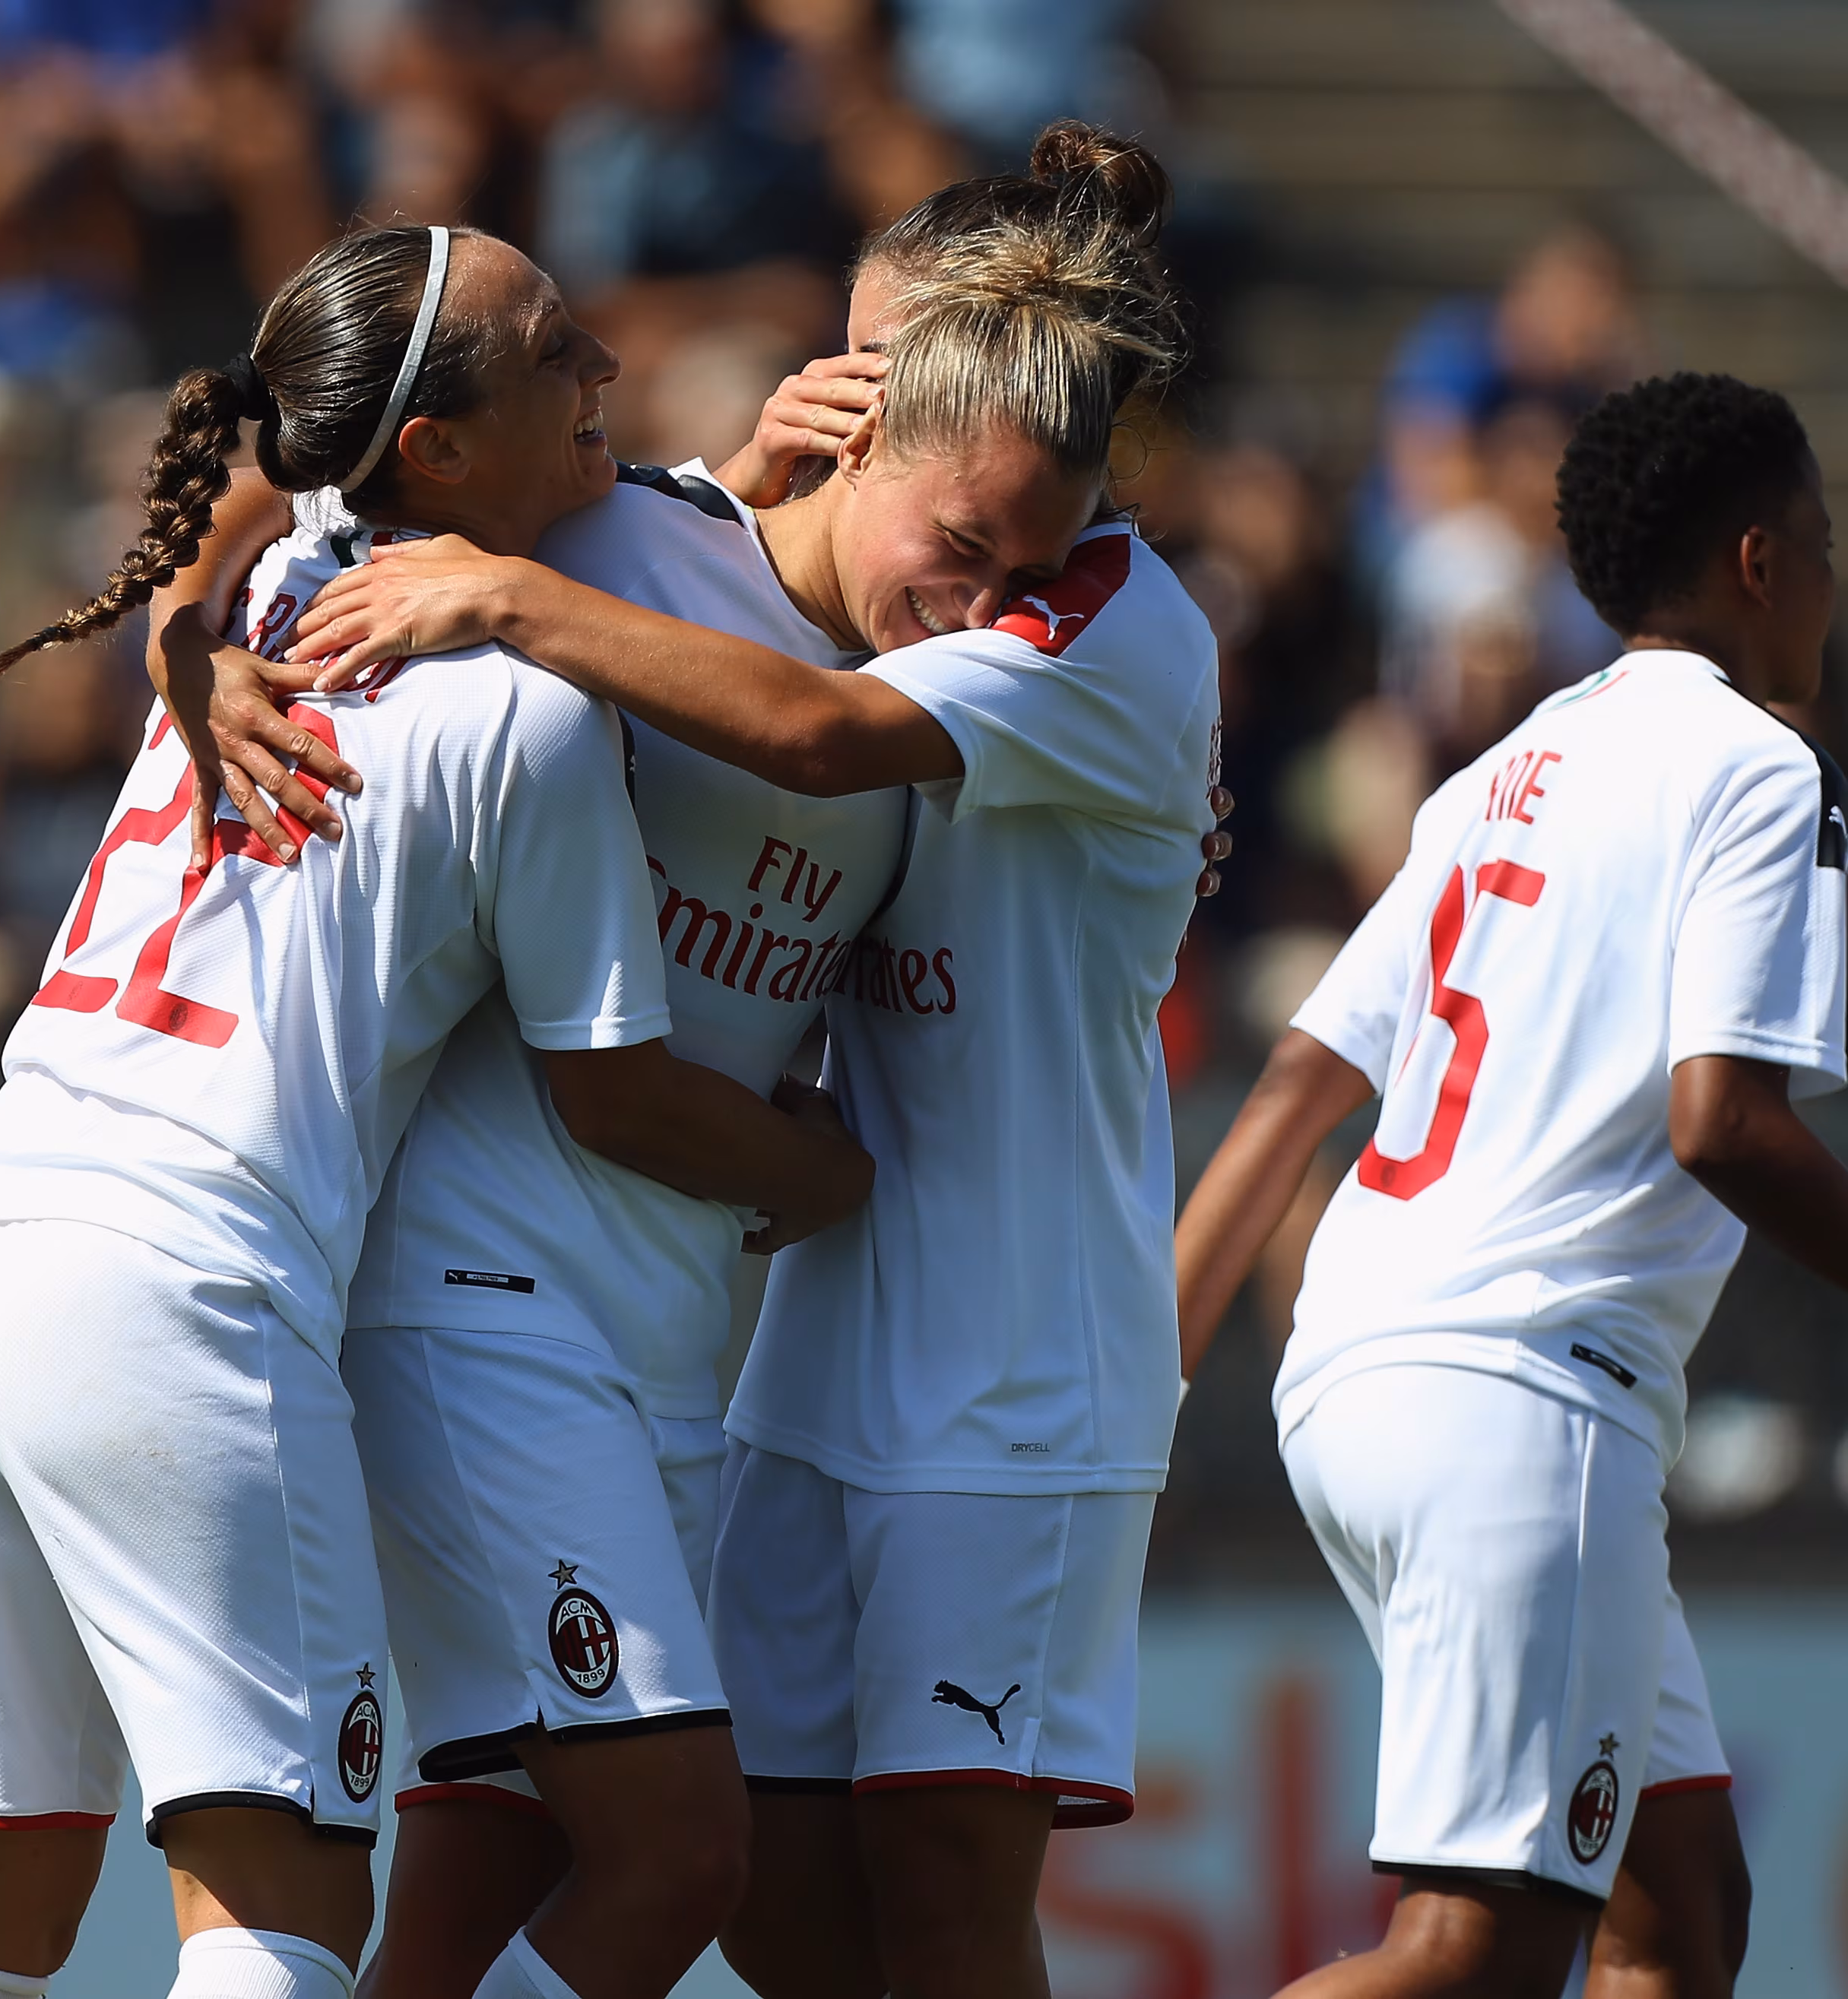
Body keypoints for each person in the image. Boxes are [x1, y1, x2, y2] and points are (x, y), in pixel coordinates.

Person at [0, 222, 872, 1999]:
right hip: (173, 1292)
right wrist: (836, 1169)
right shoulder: (530, 713)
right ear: (437, 450)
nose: (607, 376)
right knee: (282, 1915)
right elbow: (616, 1089)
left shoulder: (257, 595)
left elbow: (229, 520)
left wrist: (187, 652)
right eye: (559, 351)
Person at [287, 125, 1219, 1999]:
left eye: (1003, 560)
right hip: (775, 1367)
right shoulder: (680, 539)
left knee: (927, 1909)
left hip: (1011, 1376)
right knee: (748, 1894)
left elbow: (809, 729)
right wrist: (196, 645)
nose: (969, 599)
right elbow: (328, 495)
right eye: (954, 546)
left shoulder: (1097, 626)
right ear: (862, 413)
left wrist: (524, 586)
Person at [1172, 373, 1846, 1999]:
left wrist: (1140, 1379)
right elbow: (1724, 1123)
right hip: (1522, 1391)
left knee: (1676, 1912)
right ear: (1762, 561)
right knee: (1476, 1953)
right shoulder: (1761, 771)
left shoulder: (1503, 773)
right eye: (1825, 547)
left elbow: (1295, 1084)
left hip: (1359, 1372)